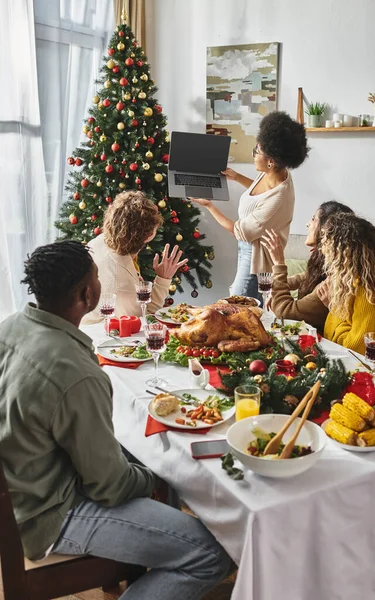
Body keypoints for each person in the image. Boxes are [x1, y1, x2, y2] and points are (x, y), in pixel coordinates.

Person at [0, 241, 231, 600]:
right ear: (87, 292)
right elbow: (108, 486)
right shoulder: (76, 373)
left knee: (142, 459)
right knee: (211, 554)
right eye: (96, 276)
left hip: (23, 486)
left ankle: (157, 551)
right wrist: (156, 475)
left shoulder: (11, 326)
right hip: (49, 515)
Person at [190, 111, 309, 300]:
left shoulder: (277, 199)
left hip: (255, 259)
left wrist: (209, 206)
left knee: (236, 309)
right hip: (249, 248)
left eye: (257, 152)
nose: (253, 155)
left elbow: (238, 232)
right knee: (247, 311)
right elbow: (260, 193)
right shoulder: (277, 173)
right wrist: (236, 177)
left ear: (271, 161)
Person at [83, 191, 187, 323]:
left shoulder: (102, 240)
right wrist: (163, 280)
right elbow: (142, 319)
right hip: (102, 340)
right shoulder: (122, 285)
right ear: (149, 235)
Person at [317, 213, 375, 368]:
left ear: (341, 252)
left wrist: (334, 309)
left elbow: (354, 348)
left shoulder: (367, 292)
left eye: (326, 244)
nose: (322, 250)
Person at [261, 201, 354, 331]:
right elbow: (307, 276)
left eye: (313, 219)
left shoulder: (332, 282)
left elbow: (285, 312)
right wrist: (277, 288)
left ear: (325, 229)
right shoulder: (330, 262)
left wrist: (278, 263)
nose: (307, 224)